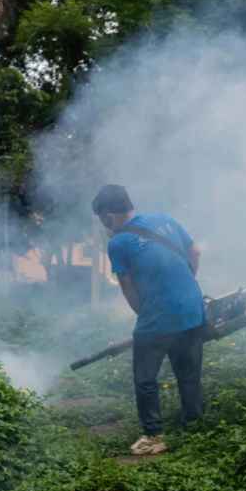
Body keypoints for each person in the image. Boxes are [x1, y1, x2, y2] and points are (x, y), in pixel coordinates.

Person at [92, 184, 206, 456]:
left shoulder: (118, 242)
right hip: (193, 308)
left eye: (101, 219)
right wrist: (186, 286)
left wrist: (144, 314)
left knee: (145, 378)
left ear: (108, 215)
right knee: (188, 373)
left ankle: (154, 436)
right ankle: (195, 425)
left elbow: (126, 284)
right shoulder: (164, 219)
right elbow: (196, 252)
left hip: (158, 318)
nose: (102, 224)